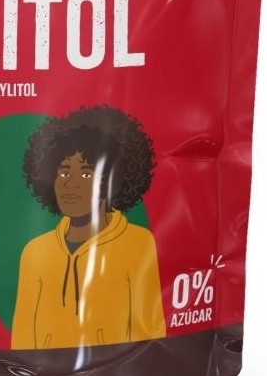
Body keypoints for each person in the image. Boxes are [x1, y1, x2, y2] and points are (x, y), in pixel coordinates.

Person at [11, 105, 166, 350]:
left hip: (118, 371)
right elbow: (22, 339)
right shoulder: (34, 251)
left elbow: (153, 329)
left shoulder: (138, 243)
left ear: (112, 181)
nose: (71, 184)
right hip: (44, 371)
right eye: (63, 174)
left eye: (85, 175)